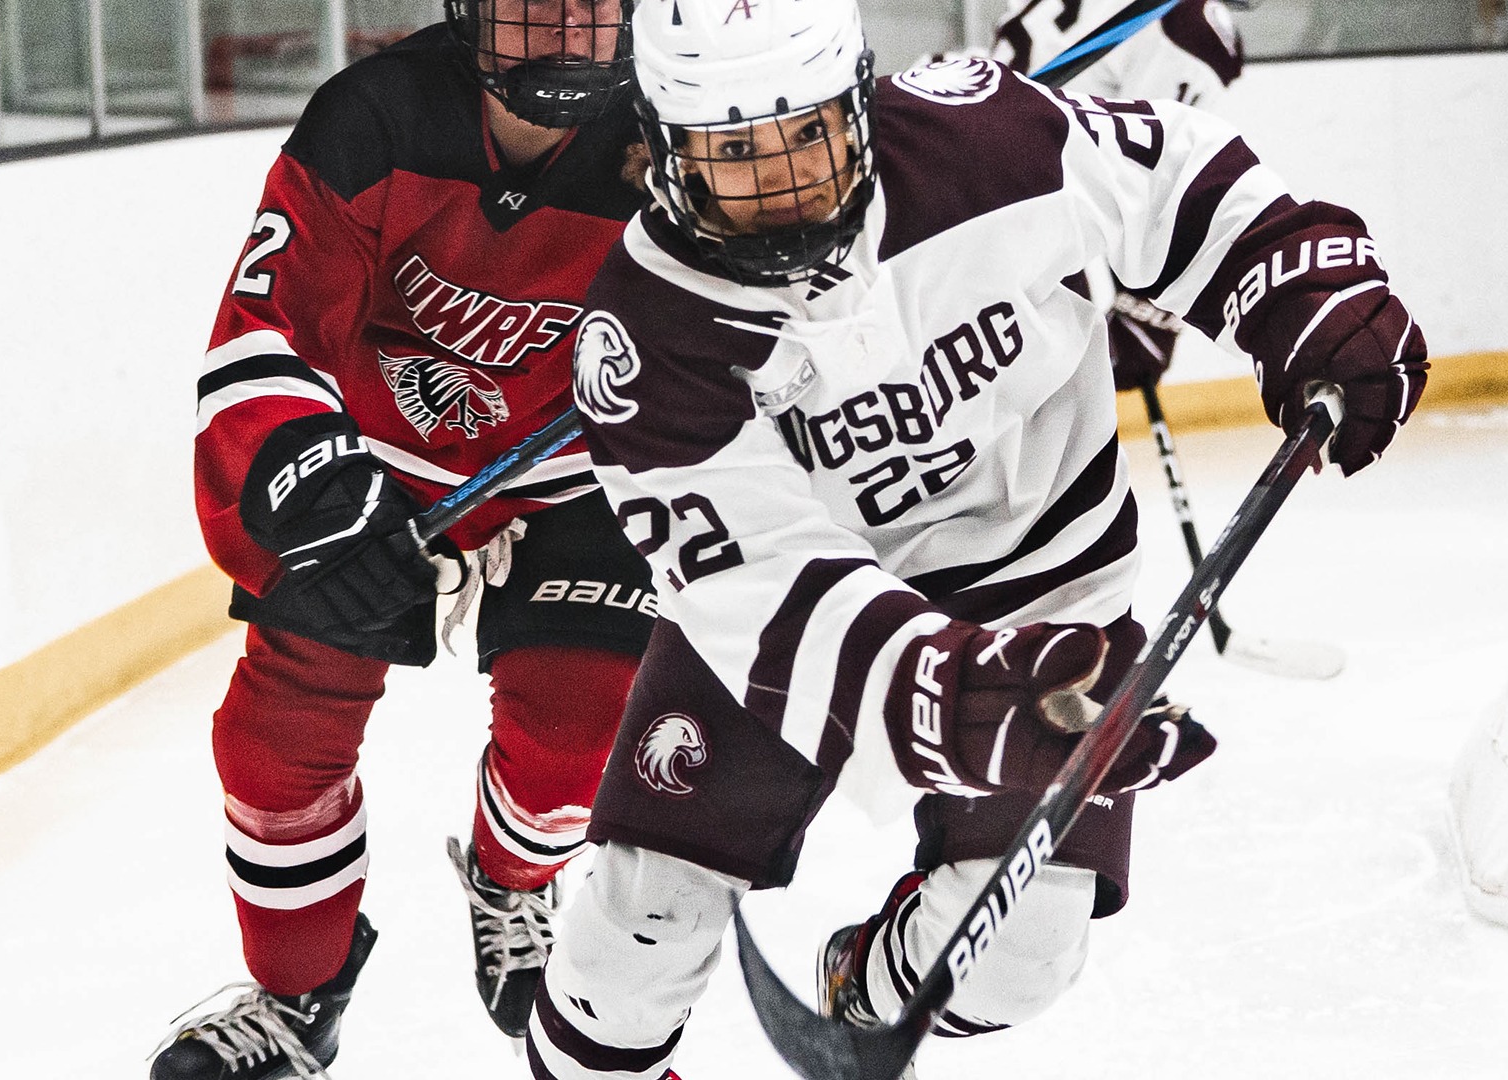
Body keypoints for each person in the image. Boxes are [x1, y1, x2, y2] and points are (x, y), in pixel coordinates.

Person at [530, 0, 1428, 1077]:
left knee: (1017, 963)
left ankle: (869, 979)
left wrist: (1301, 282)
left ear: (858, 101)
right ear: (666, 151)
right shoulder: (645, 338)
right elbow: (770, 592)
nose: (785, 181)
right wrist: (950, 699)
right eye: (735, 152)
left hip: (1049, 591)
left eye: (808, 132)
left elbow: (1174, 181)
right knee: (633, 943)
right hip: (799, 635)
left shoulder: (982, 138)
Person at [151, 2, 658, 1077]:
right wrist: (311, 482)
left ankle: (512, 879)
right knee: (274, 741)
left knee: (576, 746)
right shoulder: (371, 121)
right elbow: (261, 331)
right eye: (535, 3)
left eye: (597, 4)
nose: (568, 27)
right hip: (370, 479)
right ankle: (297, 1001)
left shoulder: (670, 140)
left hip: (573, 484)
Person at [990, 0, 1246, 393]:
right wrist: (1146, 305)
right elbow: (1155, 170)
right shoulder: (1189, 27)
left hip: (981, 200)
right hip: (1035, 215)